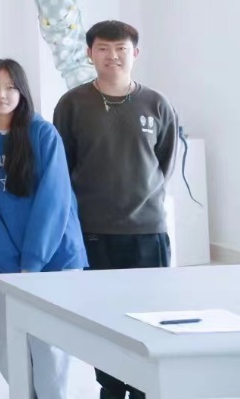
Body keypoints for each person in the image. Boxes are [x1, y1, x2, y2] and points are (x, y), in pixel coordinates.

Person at [54, 20, 178, 399]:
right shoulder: (72, 104)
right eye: (103, 48)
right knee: (102, 317)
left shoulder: (156, 104)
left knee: (150, 316)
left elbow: (164, 163)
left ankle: (144, 387)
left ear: (134, 53)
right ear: (90, 53)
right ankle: (110, 387)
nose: (113, 56)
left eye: (121, 48)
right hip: (94, 231)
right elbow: (62, 167)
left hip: (148, 231)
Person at [0, 58, 86, 399]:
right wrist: (10, 263)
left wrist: (32, 262)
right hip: (8, 263)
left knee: (48, 345)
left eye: (10, 87)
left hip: (54, 258)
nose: (1, 94)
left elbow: (54, 199)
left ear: (22, 92)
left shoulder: (42, 133)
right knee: (4, 338)